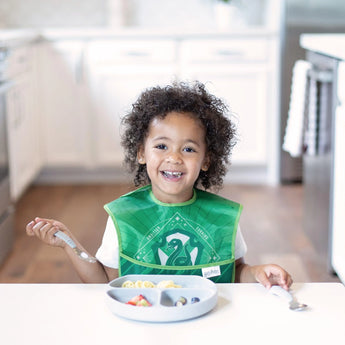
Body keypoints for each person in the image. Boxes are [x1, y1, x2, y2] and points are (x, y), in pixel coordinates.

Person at [26, 81, 292, 289]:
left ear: (206, 160)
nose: (174, 158)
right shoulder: (124, 216)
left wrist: (257, 272)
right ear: (141, 152)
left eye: (188, 149)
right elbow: (104, 282)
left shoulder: (222, 217)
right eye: (161, 146)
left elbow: (236, 273)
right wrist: (69, 244)